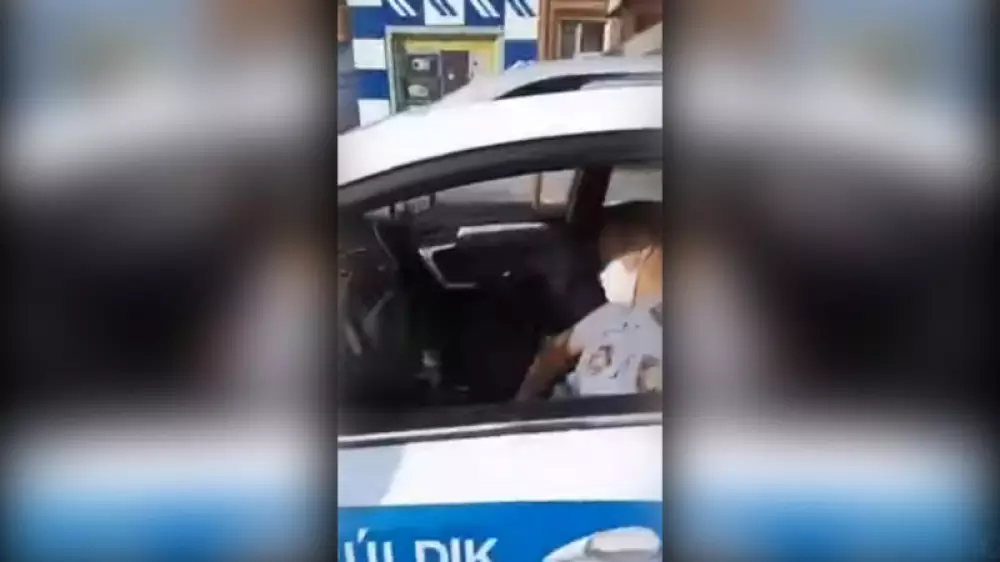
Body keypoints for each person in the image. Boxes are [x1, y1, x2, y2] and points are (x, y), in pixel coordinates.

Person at [514, 202, 663, 401]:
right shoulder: (611, 313)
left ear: (642, 250)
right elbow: (553, 354)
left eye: (609, 261)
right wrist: (524, 403)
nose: (603, 274)